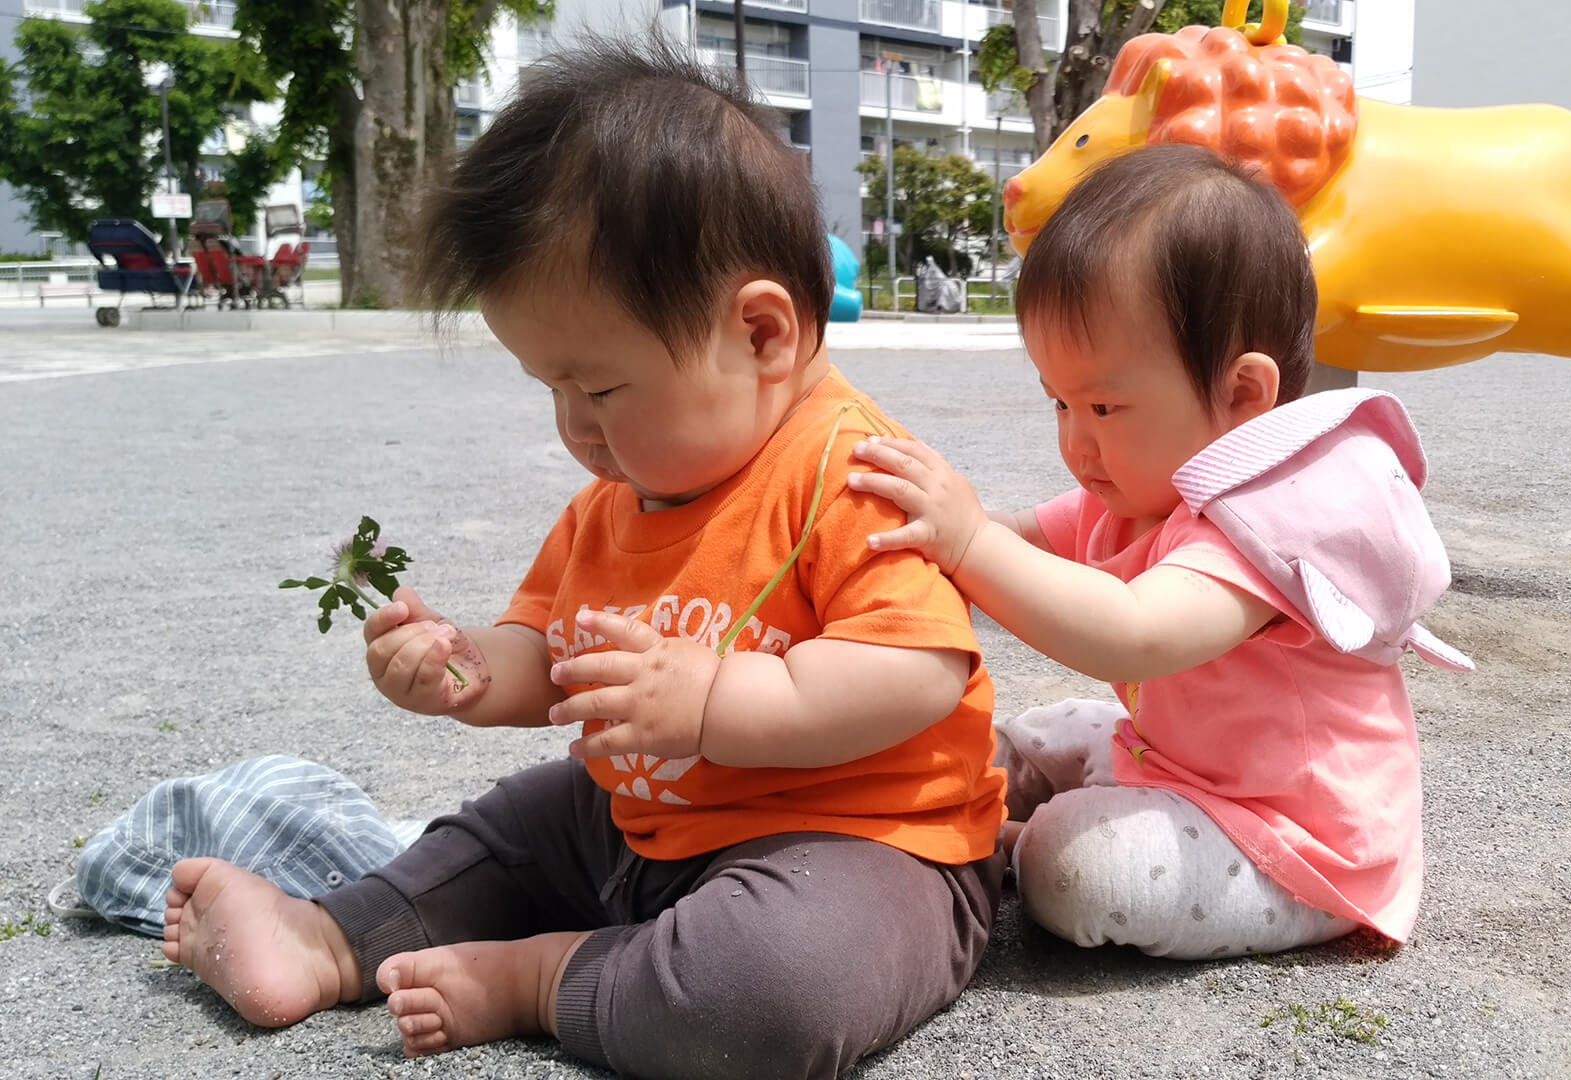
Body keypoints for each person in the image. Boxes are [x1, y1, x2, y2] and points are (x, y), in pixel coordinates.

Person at [160, 40, 1006, 1079]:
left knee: (770, 990)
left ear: (763, 332)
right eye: (548, 388)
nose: (575, 426)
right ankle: (327, 938)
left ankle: (539, 977)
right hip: (647, 821)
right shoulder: (615, 502)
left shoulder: (859, 474)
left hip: (861, 850)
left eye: (601, 390)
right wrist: (463, 669)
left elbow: (917, 675)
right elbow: (548, 658)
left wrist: (711, 701)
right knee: (516, 826)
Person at [848, 144, 1471, 961]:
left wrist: (964, 541)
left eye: (1104, 405)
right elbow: (1024, 537)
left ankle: (1026, 835)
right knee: (1031, 730)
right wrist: (910, 516)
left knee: (1076, 866)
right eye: (1058, 403)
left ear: (1242, 395)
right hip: (1179, 759)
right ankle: (993, 792)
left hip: (1286, 835)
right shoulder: (1145, 493)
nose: (1076, 441)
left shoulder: (1262, 531)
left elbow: (1131, 632)